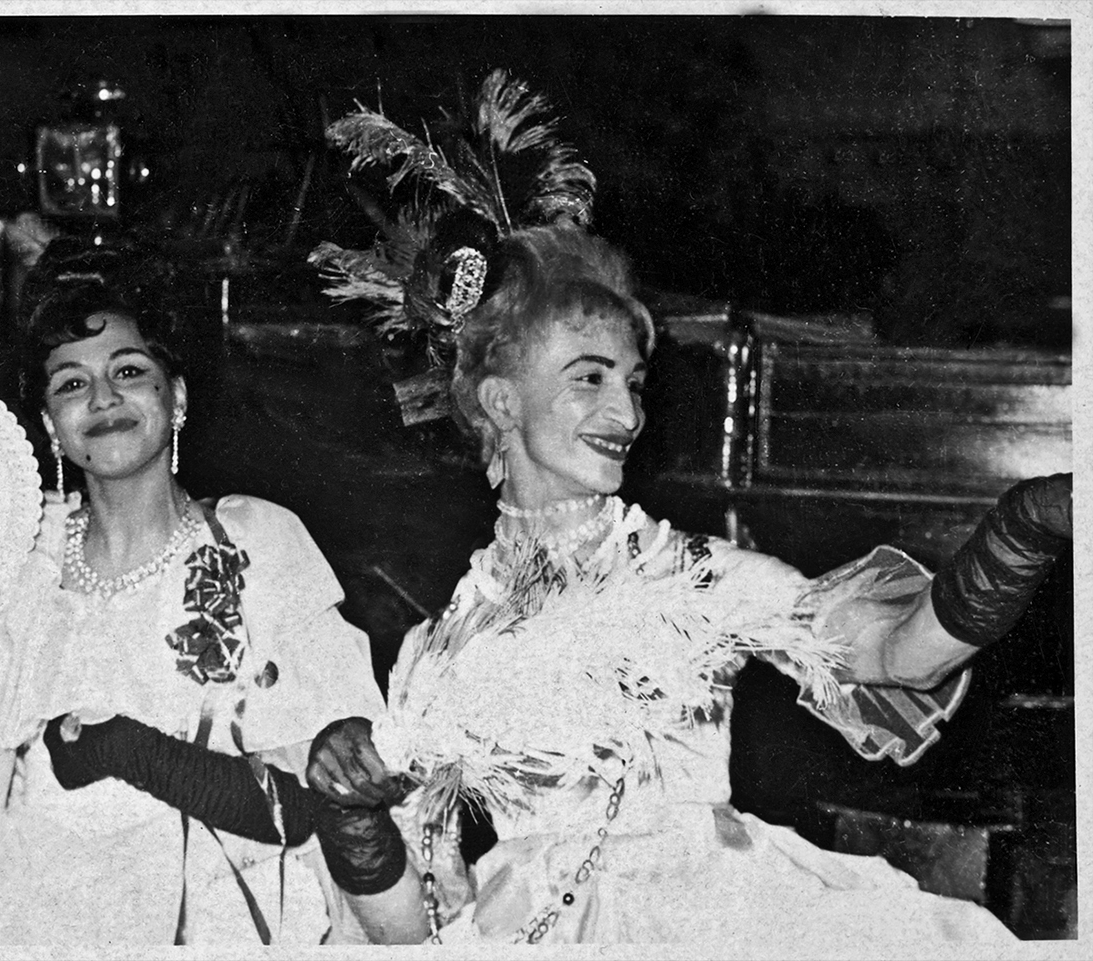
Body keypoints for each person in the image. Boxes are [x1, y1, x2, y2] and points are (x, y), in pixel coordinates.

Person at [306, 221, 1072, 945]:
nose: (627, 412)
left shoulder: (694, 578)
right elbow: (411, 931)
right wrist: (352, 813)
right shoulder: (435, 655)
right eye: (590, 378)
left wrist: (1022, 528)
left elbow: (902, 657)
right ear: (503, 401)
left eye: (634, 382)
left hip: (718, 918)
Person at [0, 240, 425, 946]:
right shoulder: (21, 558)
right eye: (71, 384)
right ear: (52, 426)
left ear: (174, 397)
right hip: (15, 906)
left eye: (128, 370)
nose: (104, 397)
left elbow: (307, 808)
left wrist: (124, 749)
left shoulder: (256, 543)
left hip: (204, 918)